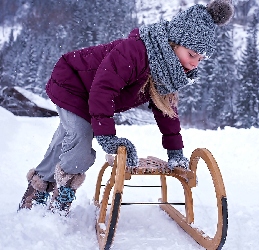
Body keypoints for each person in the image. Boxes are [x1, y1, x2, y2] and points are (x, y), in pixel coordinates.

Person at [18, 0, 234, 214]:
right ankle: (59, 203)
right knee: (80, 142)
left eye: (200, 58)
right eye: (191, 55)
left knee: (66, 141)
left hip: (92, 94)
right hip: (72, 84)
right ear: (174, 43)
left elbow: (166, 111)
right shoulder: (135, 51)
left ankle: (35, 191)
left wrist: (175, 151)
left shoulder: (169, 72)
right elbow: (103, 90)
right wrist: (108, 138)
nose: (195, 63)